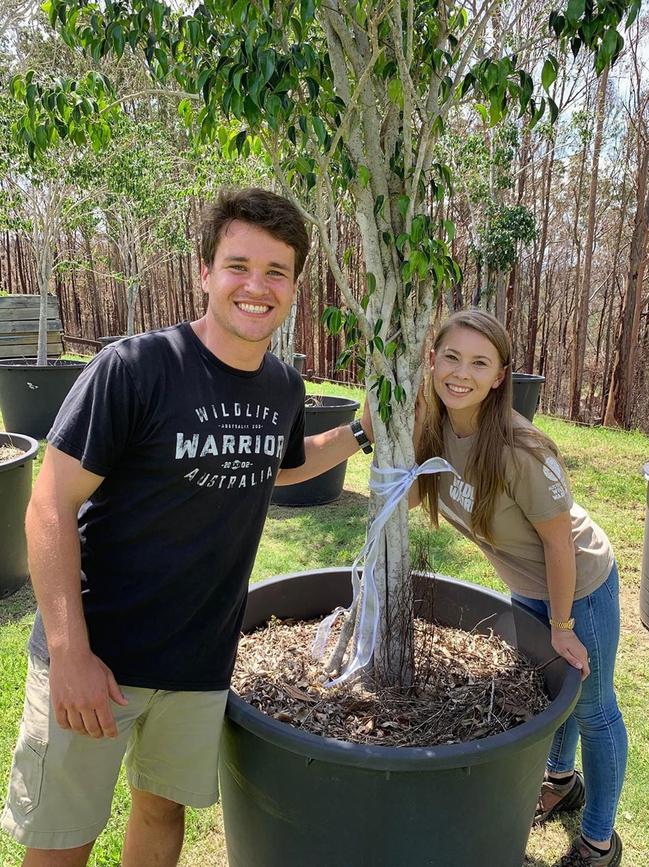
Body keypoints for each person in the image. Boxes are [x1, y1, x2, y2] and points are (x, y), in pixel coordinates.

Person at [1, 188, 374, 867]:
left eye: (276, 272)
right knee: (62, 837)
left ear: (293, 287)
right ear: (204, 272)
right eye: (238, 265)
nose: (255, 286)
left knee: (160, 807)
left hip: (198, 658)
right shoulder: (137, 369)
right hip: (99, 654)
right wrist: (71, 652)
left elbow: (281, 465)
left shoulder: (283, 387)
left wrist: (359, 430)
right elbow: (48, 504)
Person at [408, 309, 626, 867]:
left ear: (501, 376)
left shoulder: (522, 451)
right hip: (528, 585)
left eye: (480, 362)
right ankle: (560, 780)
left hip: (577, 586)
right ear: (431, 360)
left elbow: (559, 545)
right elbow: (417, 492)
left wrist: (562, 625)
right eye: (451, 356)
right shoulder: (434, 429)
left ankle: (600, 840)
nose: (462, 373)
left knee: (594, 708)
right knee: (554, 693)